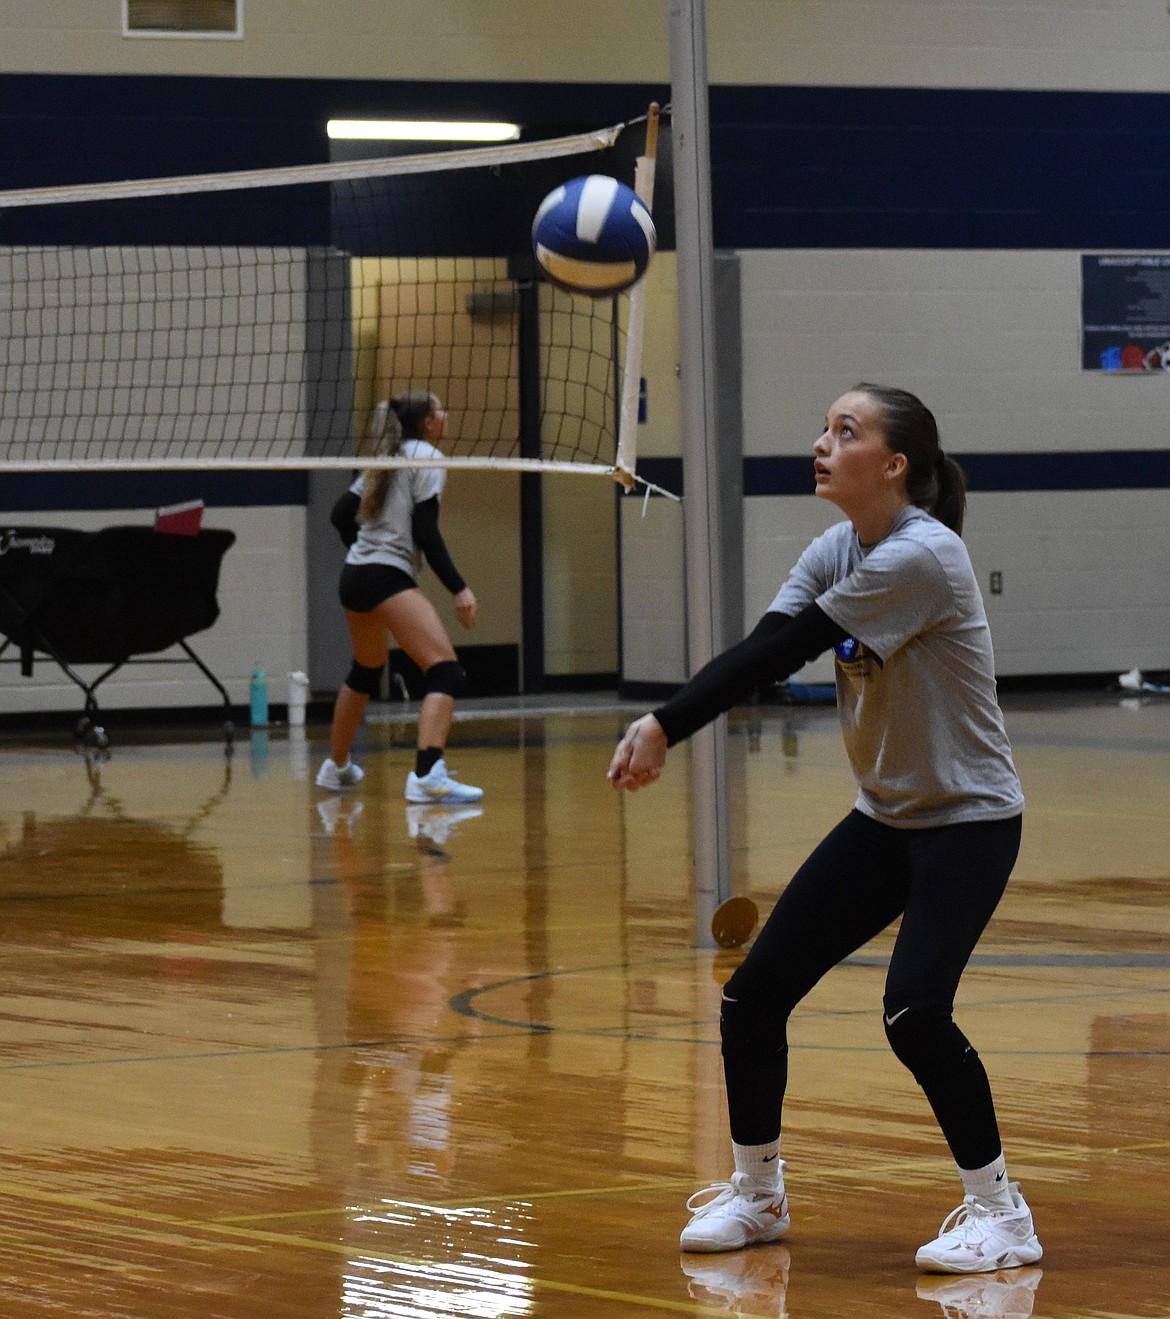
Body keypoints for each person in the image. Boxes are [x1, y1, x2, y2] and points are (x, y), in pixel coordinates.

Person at [607, 383, 1041, 1275]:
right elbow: (765, 645)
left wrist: (663, 723)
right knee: (753, 996)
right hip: (885, 819)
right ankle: (758, 1195)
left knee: (915, 1010)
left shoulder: (924, 556)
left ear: (893, 466)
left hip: (969, 821)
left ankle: (1003, 1214)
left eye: (846, 432)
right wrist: (673, 717)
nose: (821, 442)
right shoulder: (838, 546)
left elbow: (786, 649)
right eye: (825, 427)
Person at [317, 390, 483, 804]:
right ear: (427, 422)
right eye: (440, 410)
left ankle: (335, 768)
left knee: (365, 671)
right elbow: (427, 533)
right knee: (446, 673)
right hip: (384, 575)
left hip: (354, 575)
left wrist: (365, 551)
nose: (446, 415)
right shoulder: (426, 456)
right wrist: (459, 589)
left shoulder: (386, 457)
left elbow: (340, 515)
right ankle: (427, 775)